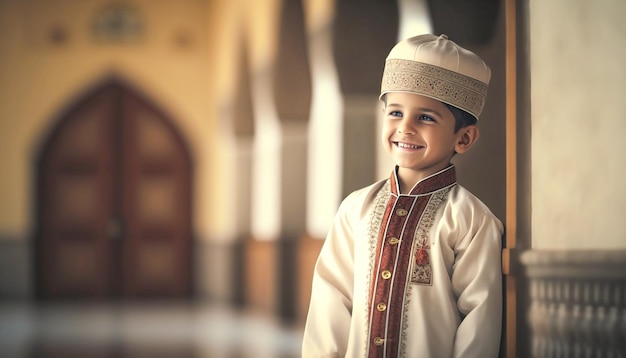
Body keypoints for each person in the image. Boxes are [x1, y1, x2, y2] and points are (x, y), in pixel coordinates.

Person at [302, 34, 503, 357]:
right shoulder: (355, 209)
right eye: (395, 113)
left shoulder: (472, 221)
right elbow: (330, 301)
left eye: (425, 117)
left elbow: (480, 320)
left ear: (463, 138)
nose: (405, 127)